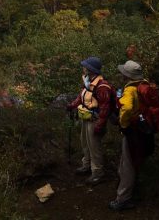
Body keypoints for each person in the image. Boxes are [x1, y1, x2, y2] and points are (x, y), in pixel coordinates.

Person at [109, 60, 154, 211]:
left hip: (133, 131)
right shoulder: (145, 86)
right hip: (144, 130)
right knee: (133, 160)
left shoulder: (130, 90)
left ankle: (122, 199)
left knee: (128, 164)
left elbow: (127, 107)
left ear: (126, 75)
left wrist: (123, 123)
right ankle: (131, 190)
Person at [66, 56, 114, 186]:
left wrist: (100, 124)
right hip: (86, 117)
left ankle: (97, 173)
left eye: (85, 66)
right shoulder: (88, 82)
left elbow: (105, 108)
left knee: (94, 147)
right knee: (85, 143)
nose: (83, 68)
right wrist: (72, 105)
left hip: (95, 120)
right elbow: (81, 97)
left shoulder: (102, 86)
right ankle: (86, 165)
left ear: (91, 70)